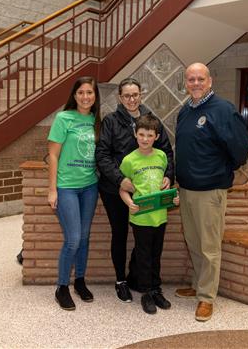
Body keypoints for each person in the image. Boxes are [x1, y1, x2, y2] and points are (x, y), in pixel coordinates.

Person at [175, 63, 248, 321]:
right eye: (191, 79)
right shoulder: (185, 111)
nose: (195, 83)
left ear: (209, 81)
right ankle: (198, 286)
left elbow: (240, 150)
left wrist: (220, 170)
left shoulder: (223, 110)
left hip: (210, 190)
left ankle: (206, 298)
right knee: (194, 242)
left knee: (209, 247)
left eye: (200, 79)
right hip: (186, 189)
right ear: (186, 83)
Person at [95, 77, 174, 303]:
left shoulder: (151, 121)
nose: (131, 99)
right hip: (115, 190)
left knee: (146, 237)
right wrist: (120, 180)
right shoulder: (110, 121)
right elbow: (102, 155)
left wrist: (168, 177)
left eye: (135, 95)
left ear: (141, 95)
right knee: (120, 234)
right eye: (127, 95)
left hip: (148, 192)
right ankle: (121, 281)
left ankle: (139, 279)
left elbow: (167, 152)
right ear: (120, 98)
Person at [47, 76, 101, 311]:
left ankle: (79, 280)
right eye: (81, 92)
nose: (86, 96)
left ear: (95, 96)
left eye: (90, 92)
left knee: (85, 237)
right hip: (66, 187)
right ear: (74, 95)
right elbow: (53, 156)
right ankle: (62, 287)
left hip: (90, 186)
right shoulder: (63, 118)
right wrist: (52, 190)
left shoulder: (96, 120)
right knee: (73, 239)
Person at [119, 114, 179, 314]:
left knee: (156, 255)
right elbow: (123, 189)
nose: (145, 139)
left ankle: (156, 290)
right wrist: (129, 203)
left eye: (149, 135)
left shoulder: (161, 156)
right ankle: (145, 293)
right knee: (143, 256)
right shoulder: (129, 160)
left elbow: (165, 186)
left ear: (156, 136)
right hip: (141, 218)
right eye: (141, 134)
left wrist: (172, 197)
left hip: (160, 217)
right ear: (135, 135)